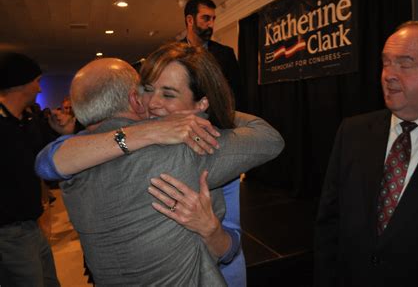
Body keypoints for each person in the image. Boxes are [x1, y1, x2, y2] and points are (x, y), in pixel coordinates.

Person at [36, 43, 284, 285]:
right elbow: (269, 137)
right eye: (147, 88)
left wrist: (211, 231)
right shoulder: (177, 151)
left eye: (168, 94)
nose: (152, 103)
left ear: (200, 102)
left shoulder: (199, 143)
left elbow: (49, 161)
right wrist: (156, 129)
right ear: (134, 96)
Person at [314, 21, 418, 287]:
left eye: (405, 63)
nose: (388, 74)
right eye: (386, 62)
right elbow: (329, 224)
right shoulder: (352, 131)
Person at [0, 52, 60, 286]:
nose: (39, 89)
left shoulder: (26, 121)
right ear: (20, 84)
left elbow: (44, 157)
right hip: (9, 232)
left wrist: (57, 131)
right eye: (36, 81)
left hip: (31, 224)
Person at [183, 0, 242, 109]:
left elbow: (237, 96)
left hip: (218, 124)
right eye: (206, 18)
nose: (211, 24)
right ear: (190, 20)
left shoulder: (226, 54)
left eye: (213, 18)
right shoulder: (173, 55)